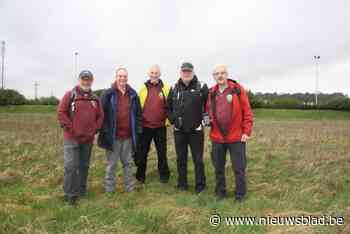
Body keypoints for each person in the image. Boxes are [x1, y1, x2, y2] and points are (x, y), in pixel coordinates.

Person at [205, 64, 253, 202]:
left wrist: (246, 131)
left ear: (227, 74)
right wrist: (207, 120)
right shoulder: (211, 93)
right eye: (217, 74)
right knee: (218, 168)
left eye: (223, 73)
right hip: (217, 137)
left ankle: (240, 195)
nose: (220, 76)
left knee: (239, 168)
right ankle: (221, 193)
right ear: (214, 77)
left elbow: (247, 112)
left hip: (236, 137)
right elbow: (208, 111)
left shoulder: (237, 89)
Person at [57, 70, 104, 205]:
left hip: (88, 139)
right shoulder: (70, 95)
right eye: (84, 79)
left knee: (84, 166)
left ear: (92, 80)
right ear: (79, 80)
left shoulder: (95, 98)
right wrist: (72, 129)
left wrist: (95, 129)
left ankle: (81, 191)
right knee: (70, 166)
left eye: (88, 79)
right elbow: (61, 113)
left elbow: (101, 116)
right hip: (71, 138)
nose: (86, 82)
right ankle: (69, 194)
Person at [98, 67, 142, 193]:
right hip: (113, 137)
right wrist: (105, 130)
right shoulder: (108, 94)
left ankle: (129, 189)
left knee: (128, 164)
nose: (122, 78)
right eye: (120, 76)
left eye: (124, 76)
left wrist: (138, 130)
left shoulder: (133, 94)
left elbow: (138, 114)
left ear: (127, 78)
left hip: (128, 137)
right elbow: (101, 114)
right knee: (112, 165)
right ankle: (109, 190)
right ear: (116, 77)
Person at [167, 62, 208, 193]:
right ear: (180, 72)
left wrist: (204, 121)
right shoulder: (174, 88)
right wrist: (173, 120)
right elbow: (168, 107)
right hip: (179, 131)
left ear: (193, 72)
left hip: (196, 131)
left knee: (198, 160)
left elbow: (208, 106)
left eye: (189, 71)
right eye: (184, 71)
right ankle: (182, 184)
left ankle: (200, 186)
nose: (186, 73)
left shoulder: (201, 86)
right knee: (181, 159)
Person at [136, 65, 171, 184]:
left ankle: (164, 176)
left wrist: (168, 120)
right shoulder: (143, 89)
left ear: (159, 74)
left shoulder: (166, 88)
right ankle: (140, 176)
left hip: (160, 127)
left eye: (156, 72)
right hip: (145, 127)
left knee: (162, 153)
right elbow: (138, 107)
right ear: (149, 74)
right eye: (152, 72)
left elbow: (170, 106)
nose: (154, 74)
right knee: (142, 153)